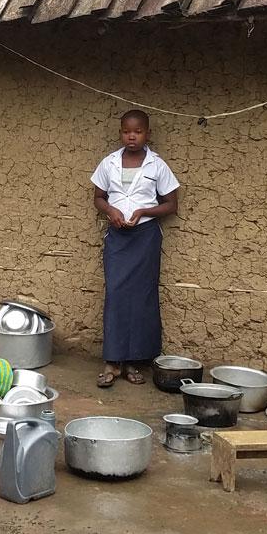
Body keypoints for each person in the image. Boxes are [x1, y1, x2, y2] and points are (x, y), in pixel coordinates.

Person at [89, 109, 180, 388]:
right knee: (116, 293)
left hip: (145, 237)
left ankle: (132, 362)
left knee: (141, 296)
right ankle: (113, 361)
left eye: (138, 131)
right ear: (121, 133)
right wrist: (110, 211)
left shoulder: (157, 165)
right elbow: (98, 197)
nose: (132, 136)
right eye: (127, 131)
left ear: (147, 134)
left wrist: (143, 210)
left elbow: (171, 204)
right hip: (118, 237)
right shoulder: (109, 163)